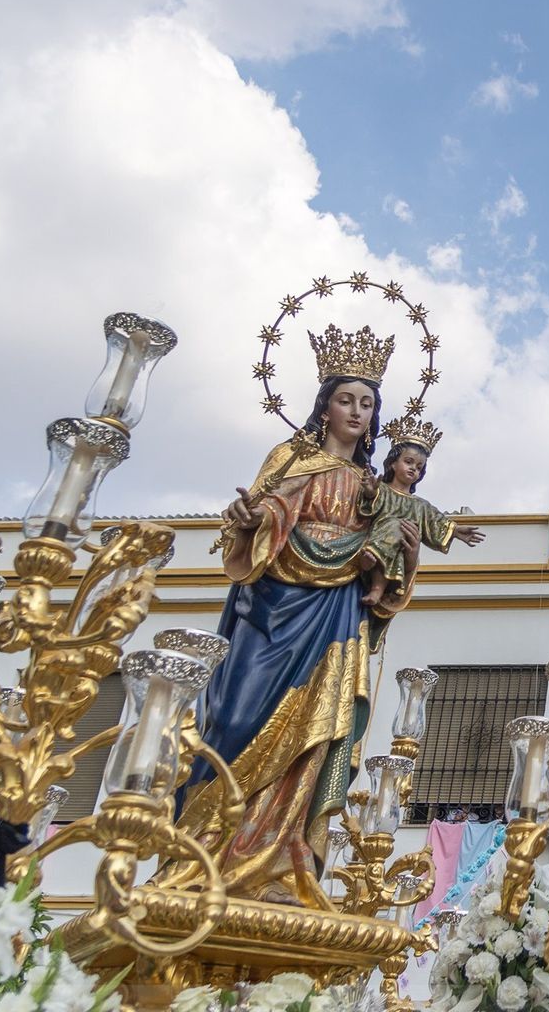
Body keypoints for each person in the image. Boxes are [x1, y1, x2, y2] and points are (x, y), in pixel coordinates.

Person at [171, 324, 480, 907]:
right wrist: (249, 517)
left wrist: (404, 559)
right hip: (272, 612)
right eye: (346, 399)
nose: (357, 412)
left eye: (367, 404)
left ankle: (284, 863)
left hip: (337, 618)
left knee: (316, 735)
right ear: (324, 405)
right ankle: (205, 848)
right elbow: (248, 526)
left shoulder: (374, 485)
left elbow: (384, 566)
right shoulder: (291, 457)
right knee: (237, 721)